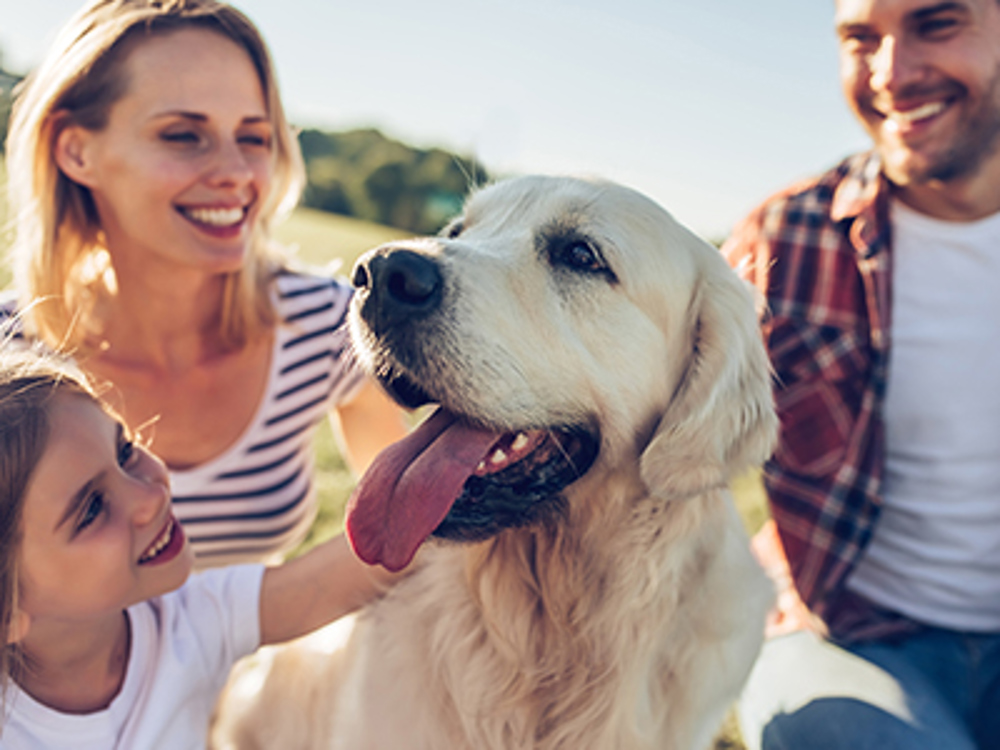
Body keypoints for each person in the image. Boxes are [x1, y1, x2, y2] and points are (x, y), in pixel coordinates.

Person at [2, 0, 409, 567]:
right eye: (182, 136)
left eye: (254, 138)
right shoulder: (9, 358)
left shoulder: (327, 325)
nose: (237, 174)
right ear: (76, 150)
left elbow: (408, 543)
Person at [722, 0, 1000, 748]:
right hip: (843, 633)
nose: (891, 74)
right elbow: (640, 433)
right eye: (860, 39)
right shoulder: (784, 239)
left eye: (936, 25)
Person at [0, 340, 401, 748]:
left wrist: (441, 476)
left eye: (124, 452)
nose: (150, 496)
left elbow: (336, 578)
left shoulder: (186, 623)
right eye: (91, 510)